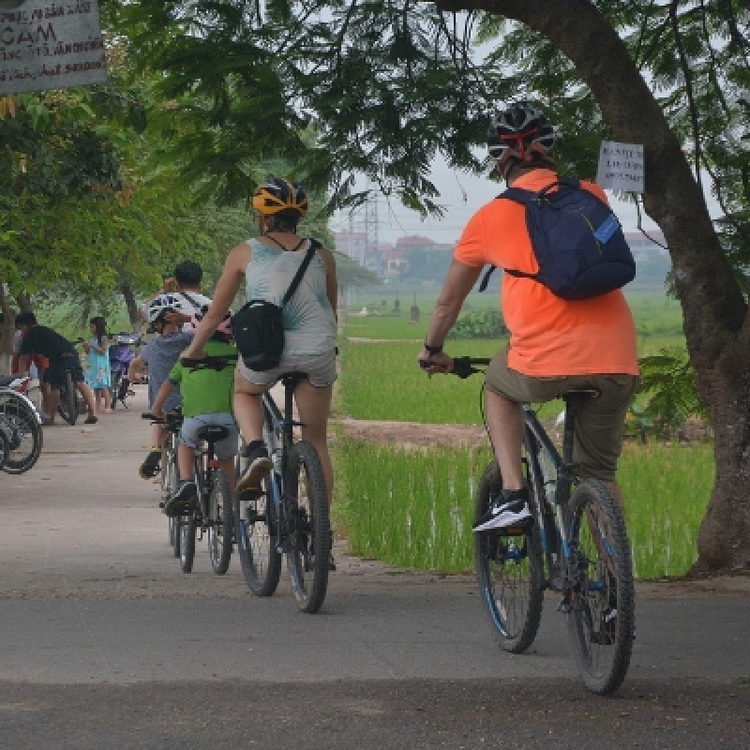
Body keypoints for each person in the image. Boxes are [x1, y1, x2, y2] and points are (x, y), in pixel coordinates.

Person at [418, 104, 639, 532]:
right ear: (550, 150)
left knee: (499, 386)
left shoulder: (488, 219)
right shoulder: (593, 195)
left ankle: (514, 495)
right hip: (617, 360)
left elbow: (449, 302)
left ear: (499, 159)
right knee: (599, 475)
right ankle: (615, 589)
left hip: (543, 361)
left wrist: (433, 348)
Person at [181, 177, 338, 507]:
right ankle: (319, 532)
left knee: (244, 390)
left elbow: (214, 315)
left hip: (267, 350)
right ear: (299, 217)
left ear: (263, 217)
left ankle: (255, 449)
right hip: (318, 350)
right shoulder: (322, 255)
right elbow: (330, 310)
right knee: (316, 439)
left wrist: (194, 351)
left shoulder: (244, 252)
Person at [150, 306, 239, 516]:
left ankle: (187, 481)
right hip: (228, 420)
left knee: (185, 444)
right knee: (227, 462)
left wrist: (156, 409)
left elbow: (167, 385)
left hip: (194, 420)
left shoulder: (186, 355)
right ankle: (232, 509)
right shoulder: (236, 356)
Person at [128, 294, 193, 479]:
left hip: (162, 403)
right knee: (188, 436)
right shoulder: (189, 339)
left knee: (160, 421)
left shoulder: (152, 347)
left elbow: (134, 363)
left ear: (156, 325)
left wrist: (133, 376)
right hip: (187, 401)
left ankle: (156, 448)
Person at [14, 312, 99, 425]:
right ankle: (93, 413)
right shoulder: (46, 330)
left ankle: (51, 418)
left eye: (20, 328)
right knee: (80, 382)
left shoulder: (29, 336)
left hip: (57, 359)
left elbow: (23, 358)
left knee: (55, 387)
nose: (21, 331)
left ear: (23, 325)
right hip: (71, 353)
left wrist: (21, 377)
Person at [139, 261, 212, 332]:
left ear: (176, 283)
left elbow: (140, 314)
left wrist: (163, 291)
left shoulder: (163, 301)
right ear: (200, 284)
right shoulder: (211, 305)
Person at [82, 316, 112, 415]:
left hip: (101, 365)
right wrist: (86, 347)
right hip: (93, 364)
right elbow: (87, 352)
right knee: (96, 386)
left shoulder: (103, 338)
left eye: (92, 327)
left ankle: (108, 406)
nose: (91, 329)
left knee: (103, 385)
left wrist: (92, 346)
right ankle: (98, 406)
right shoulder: (91, 339)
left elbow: (103, 351)